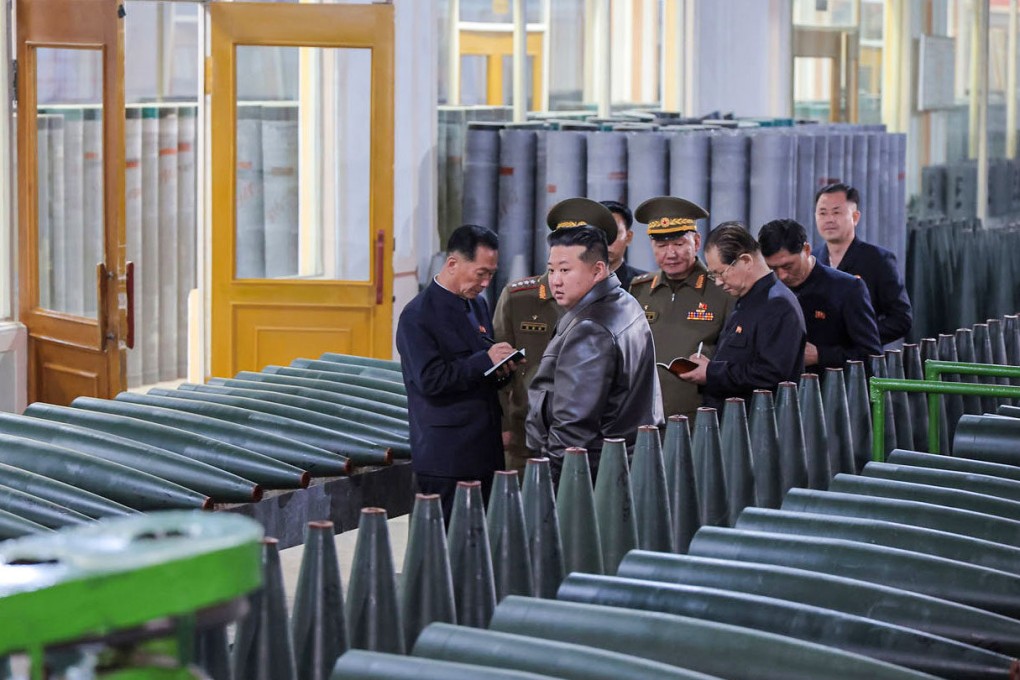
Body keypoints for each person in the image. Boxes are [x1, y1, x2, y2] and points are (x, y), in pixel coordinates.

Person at [526, 198, 663, 484]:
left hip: (590, 475)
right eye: (551, 270)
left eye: (565, 270)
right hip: (621, 464)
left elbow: (573, 429)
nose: (555, 281)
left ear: (598, 270)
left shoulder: (591, 328)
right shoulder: (624, 302)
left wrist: (551, 483)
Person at [396, 225, 519, 521]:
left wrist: (502, 368)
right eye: (481, 273)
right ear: (453, 264)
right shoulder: (417, 316)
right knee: (442, 546)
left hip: (484, 448)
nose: (486, 282)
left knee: (481, 543)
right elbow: (430, 380)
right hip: (446, 456)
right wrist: (483, 361)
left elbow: (480, 369)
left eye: (491, 273)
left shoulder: (476, 304)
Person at [493, 206, 620, 478]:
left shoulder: (613, 304)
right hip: (525, 438)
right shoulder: (519, 298)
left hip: (591, 438)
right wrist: (502, 423)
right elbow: (499, 370)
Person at [629, 196, 735, 420]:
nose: (671, 253)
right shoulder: (639, 289)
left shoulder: (722, 289)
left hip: (700, 418)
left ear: (696, 243)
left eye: (678, 244)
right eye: (662, 245)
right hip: (643, 415)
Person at [681, 222, 806, 409]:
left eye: (720, 273)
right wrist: (708, 367)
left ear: (746, 261)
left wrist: (711, 372)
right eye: (713, 276)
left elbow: (771, 375)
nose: (718, 282)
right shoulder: (748, 299)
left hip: (757, 426)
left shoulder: (777, 304)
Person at [758, 218, 881, 373]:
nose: (782, 276)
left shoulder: (847, 289)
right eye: (773, 268)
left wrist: (821, 355)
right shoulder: (765, 290)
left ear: (807, 250)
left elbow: (872, 357)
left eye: (788, 266)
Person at [814, 182, 912, 345]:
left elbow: (901, 319)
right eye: (822, 213)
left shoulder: (879, 260)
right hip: (818, 361)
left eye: (836, 212)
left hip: (861, 361)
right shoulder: (813, 260)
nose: (829, 219)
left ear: (855, 217)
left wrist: (861, 335)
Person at [601, 200, 646, 291]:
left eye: (613, 233)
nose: (607, 241)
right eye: (601, 233)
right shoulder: (574, 282)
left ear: (628, 237)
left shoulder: (645, 285)